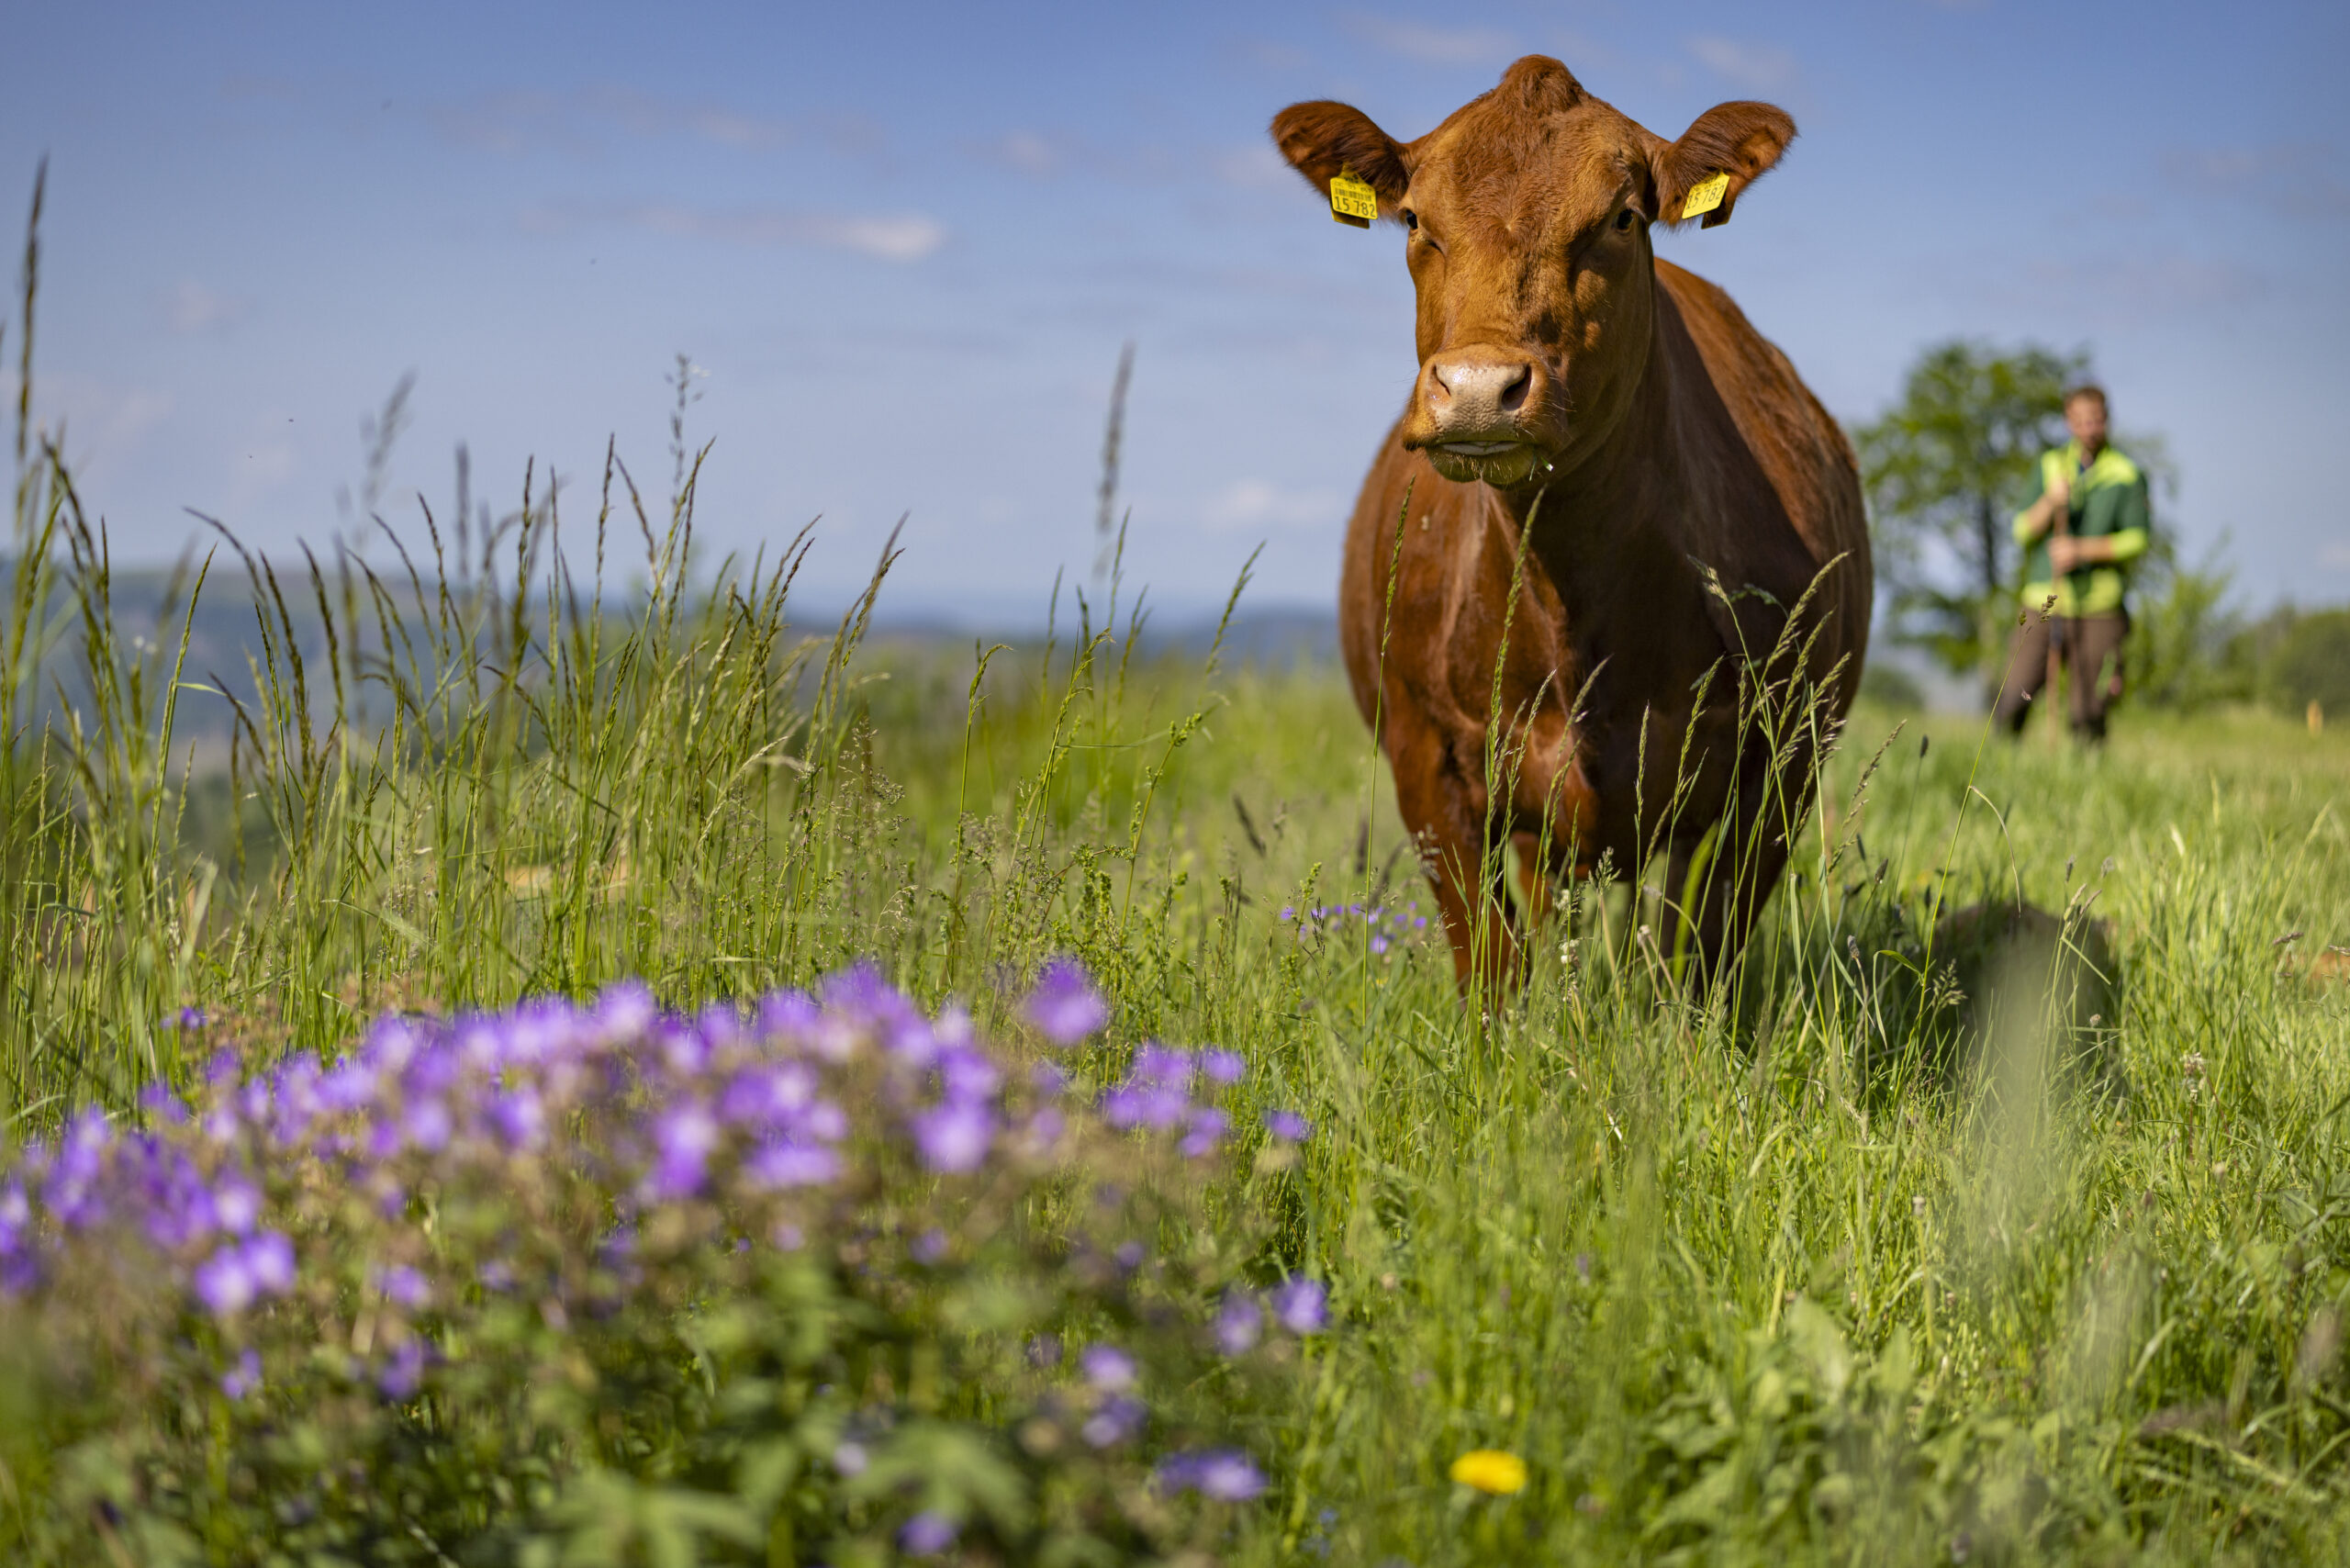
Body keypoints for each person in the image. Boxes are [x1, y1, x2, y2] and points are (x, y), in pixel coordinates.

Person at [1991, 385, 2150, 742]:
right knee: (2014, 694)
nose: (2088, 428)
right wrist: (2050, 501)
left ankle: (2086, 784)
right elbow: (2020, 529)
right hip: (2043, 599)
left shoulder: (2125, 474)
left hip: (2099, 605)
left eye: (2095, 420)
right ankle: (1995, 771)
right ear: (2068, 422)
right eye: (2080, 421)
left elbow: (2138, 538)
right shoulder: (2050, 465)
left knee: (2088, 711)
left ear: (2107, 419)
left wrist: (2081, 550)